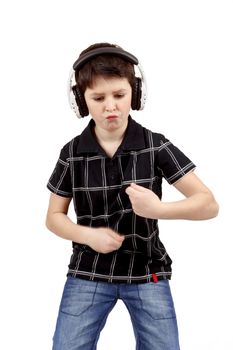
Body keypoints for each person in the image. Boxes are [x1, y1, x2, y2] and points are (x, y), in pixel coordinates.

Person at [45, 42, 219, 350]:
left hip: (147, 271)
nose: (110, 106)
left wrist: (157, 209)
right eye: (98, 98)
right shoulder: (71, 153)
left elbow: (208, 204)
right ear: (81, 101)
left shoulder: (155, 145)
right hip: (88, 270)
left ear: (135, 95)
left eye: (119, 95)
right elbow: (54, 218)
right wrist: (88, 236)